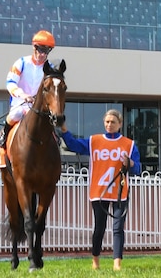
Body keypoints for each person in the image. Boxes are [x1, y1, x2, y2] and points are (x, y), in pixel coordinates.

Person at [61, 109, 142, 271]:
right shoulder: (94, 141)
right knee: (99, 228)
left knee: (118, 228)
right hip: (99, 192)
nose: (109, 125)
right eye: (107, 122)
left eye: (113, 122)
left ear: (120, 124)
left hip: (120, 192)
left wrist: (130, 163)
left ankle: (117, 263)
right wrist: (64, 130)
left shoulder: (129, 144)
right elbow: (73, 145)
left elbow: (138, 168)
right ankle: (95, 260)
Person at [0, 30, 55, 167]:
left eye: (46, 51)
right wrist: (22, 95)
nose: (43, 54)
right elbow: (10, 83)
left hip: (39, 106)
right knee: (15, 114)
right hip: (20, 103)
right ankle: (3, 140)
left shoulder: (50, 68)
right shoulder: (21, 62)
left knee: (51, 123)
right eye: (41, 50)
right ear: (34, 48)